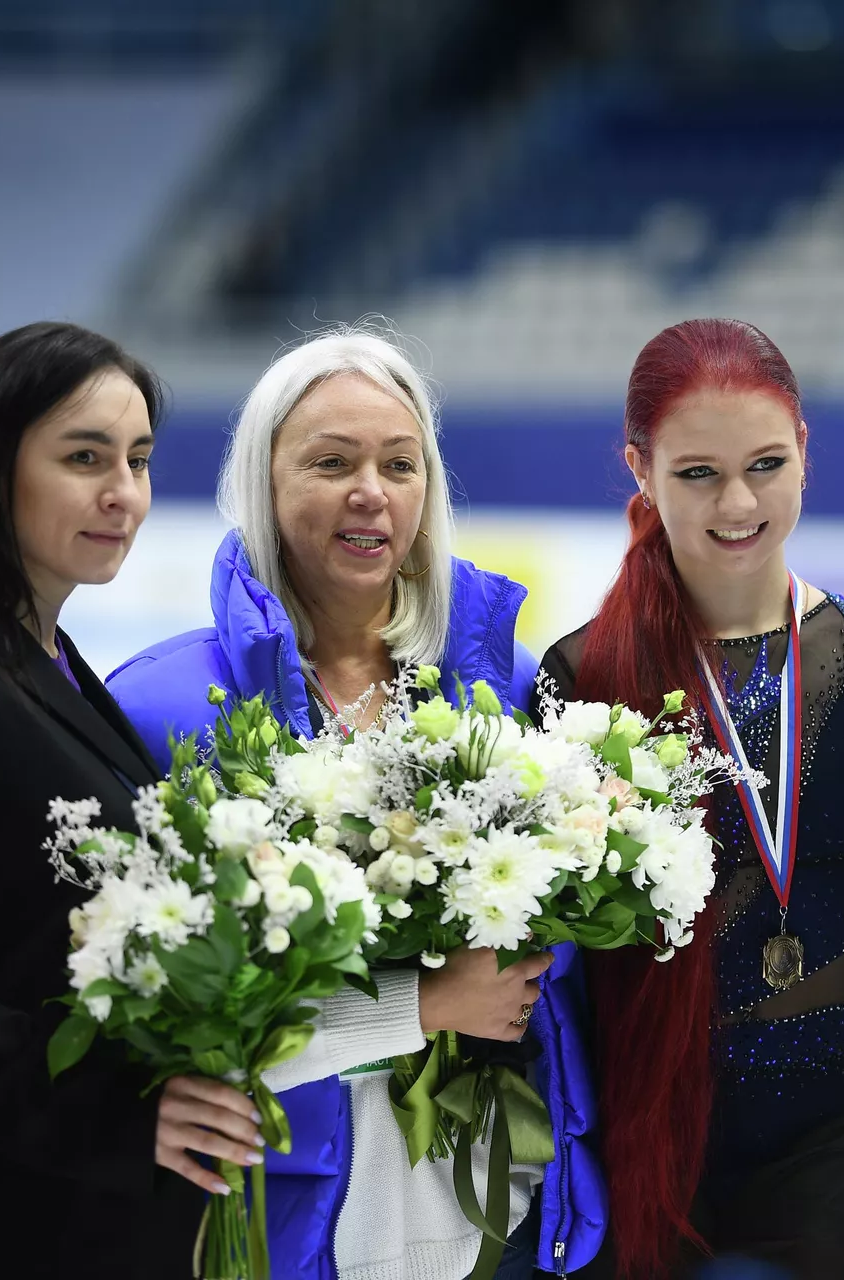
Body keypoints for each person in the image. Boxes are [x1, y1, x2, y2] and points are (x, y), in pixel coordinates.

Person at [107, 327, 601, 1280]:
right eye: (331, 463)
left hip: (487, 1224)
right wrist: (420, 1004)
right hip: (264, 1225)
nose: (370, 491)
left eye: (399, 464)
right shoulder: (159, 709)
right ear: (264, 482)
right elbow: (154, 1024)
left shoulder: (504, 694)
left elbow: (563, 968)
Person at [0, 323, 256, 1277]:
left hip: (98, 1217)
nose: (123, 492)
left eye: (139, 459)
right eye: (85, 458)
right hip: (15, 1221)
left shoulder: (48, 659)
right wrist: (124, 1111)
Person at [536, 318, 844, 1279]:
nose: (738, 501)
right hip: (643, 1116)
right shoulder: (584, 675)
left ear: (805, 455)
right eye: (698, 473)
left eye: (765, 463)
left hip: (827, 1123)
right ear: (640, 469)